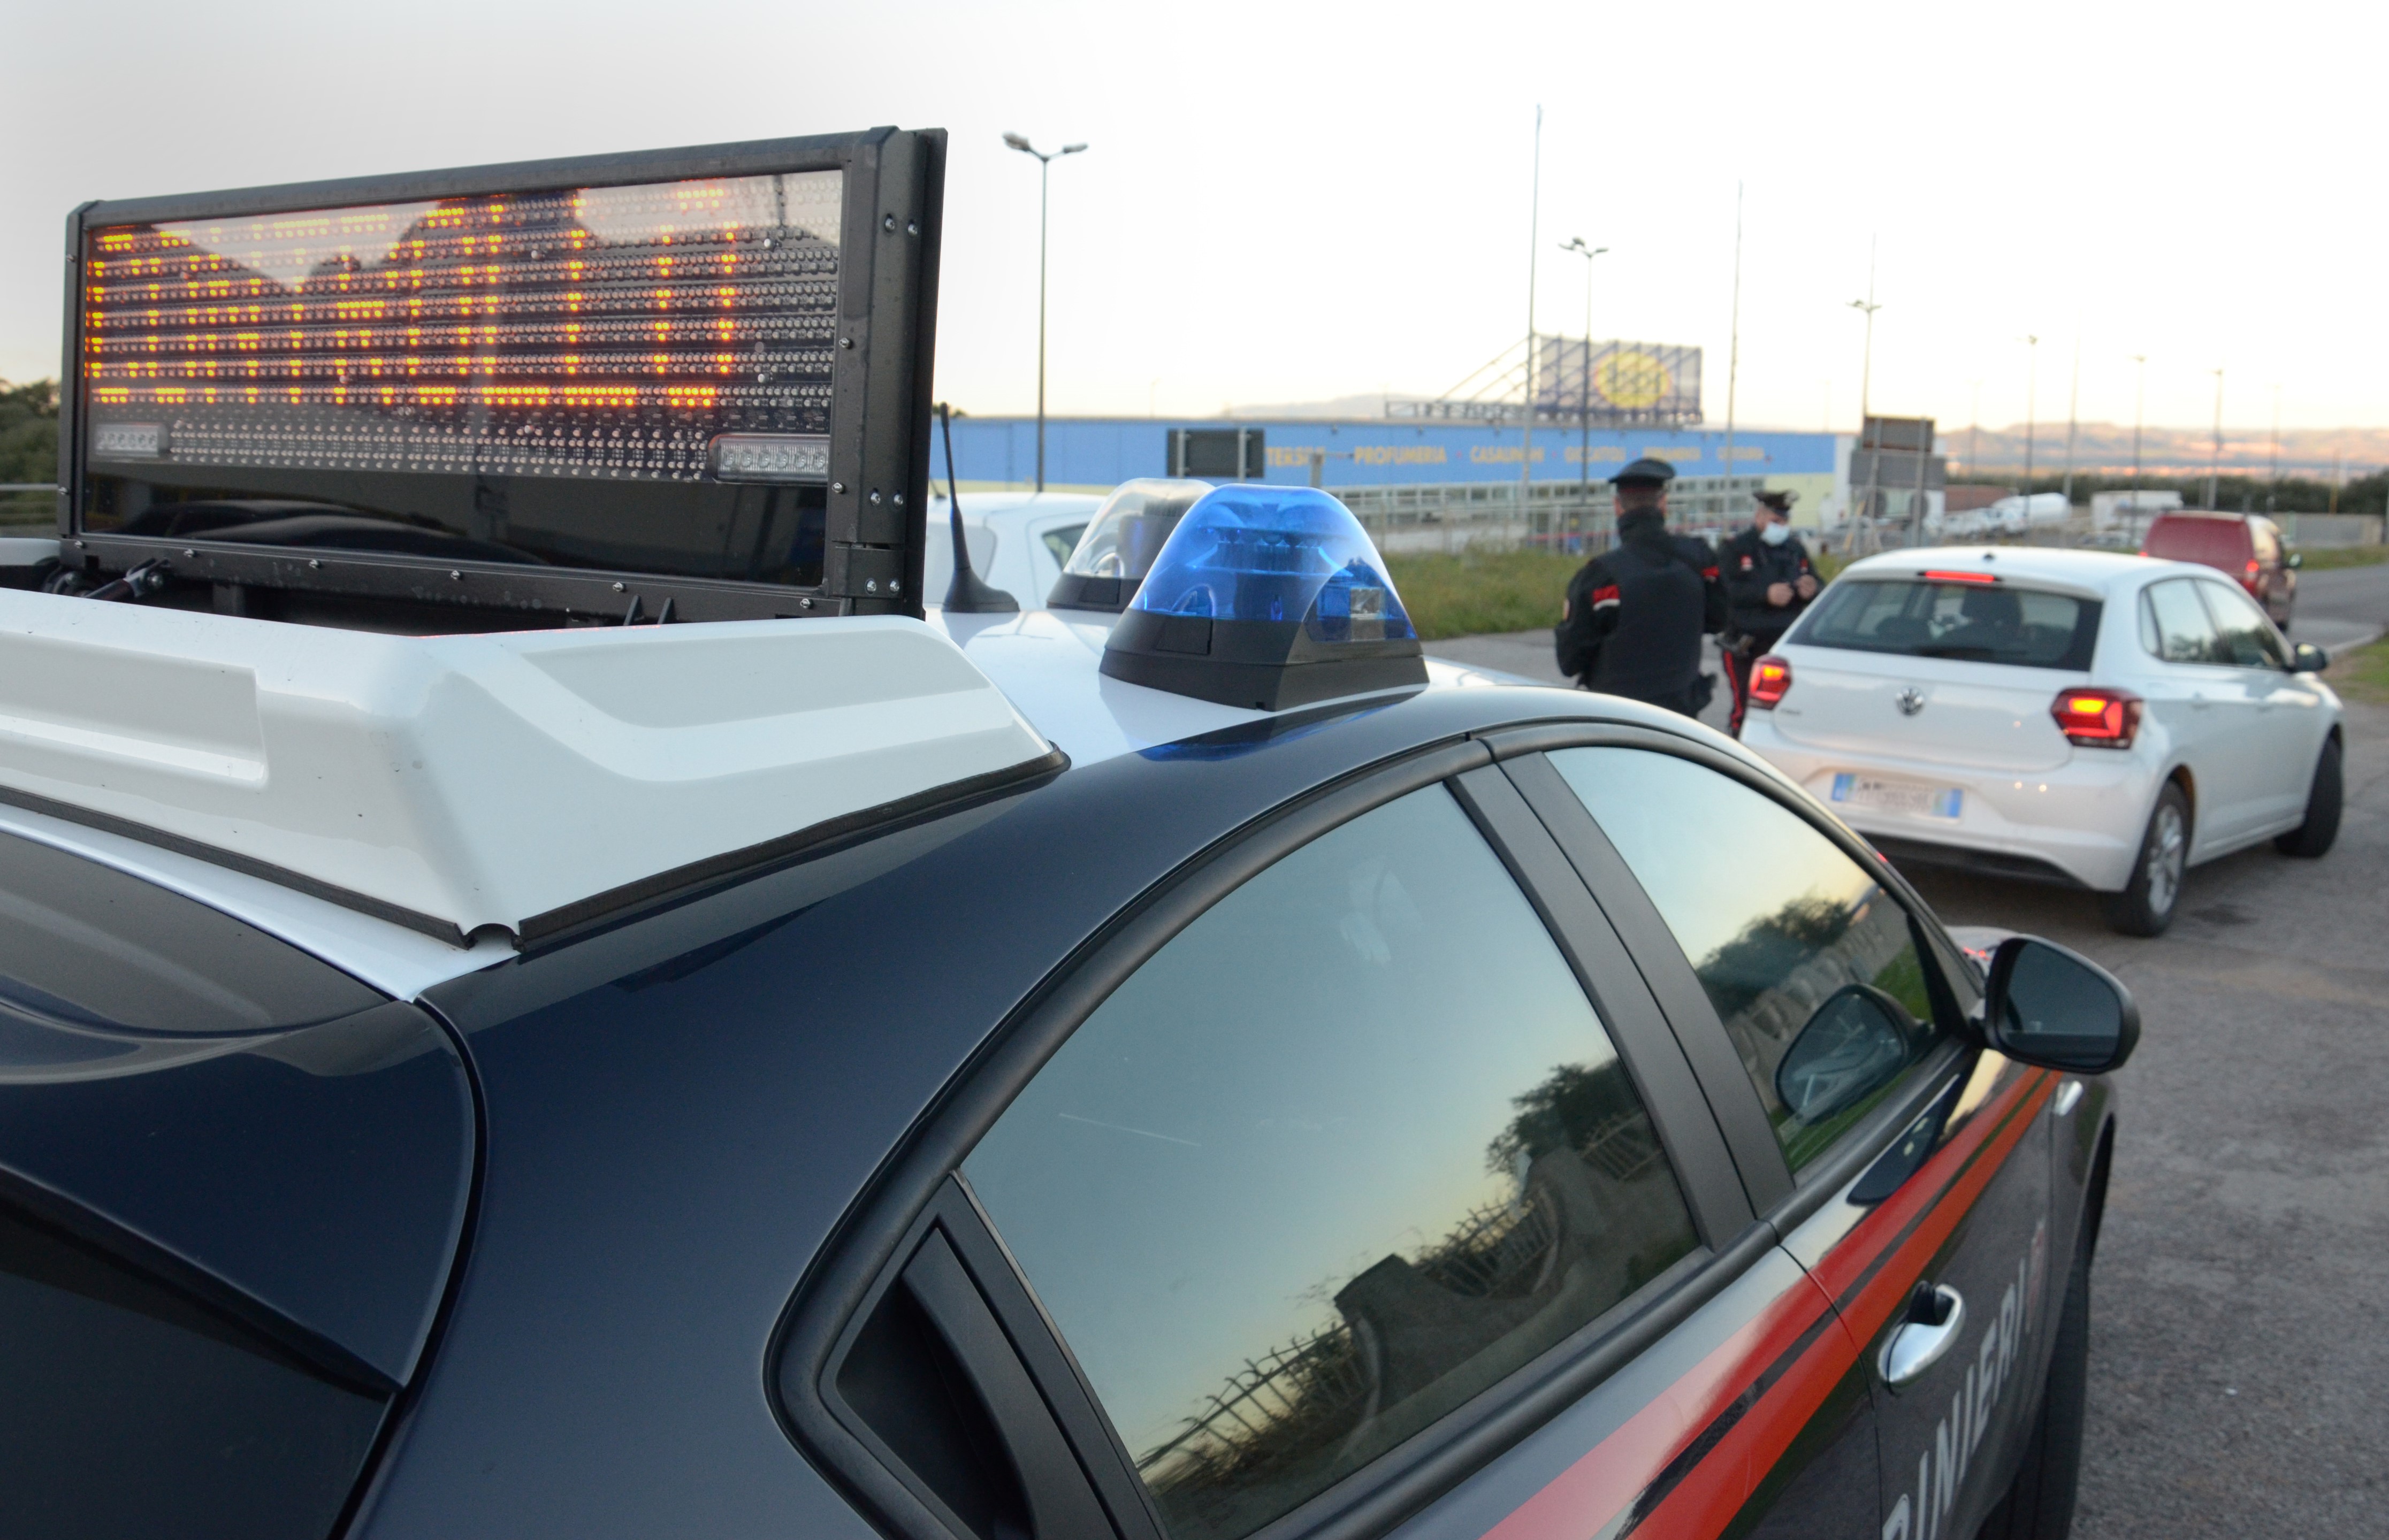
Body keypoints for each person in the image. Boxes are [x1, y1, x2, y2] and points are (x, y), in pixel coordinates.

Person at [1554, 458, 1726, 717]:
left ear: (1617, 507)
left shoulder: (1600, 577)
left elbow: (1570, 661)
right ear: (1663, 504)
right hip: (1681, 720)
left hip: (1619, 720)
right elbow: (1719, 619)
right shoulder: (1699, 559)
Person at [1718, 489, 1820, 737]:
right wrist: (1766, 594)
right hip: (1747, 645)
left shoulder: (1795, 550)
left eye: (1785, 522)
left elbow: (1819, 584)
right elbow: (1726, 590)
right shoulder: (1736, 549)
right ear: (1760, 518)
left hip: (1785, 645)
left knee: (1788, 710)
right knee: (1746, 708)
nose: (1781, 528)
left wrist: (1813, 589)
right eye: (1776, 522)